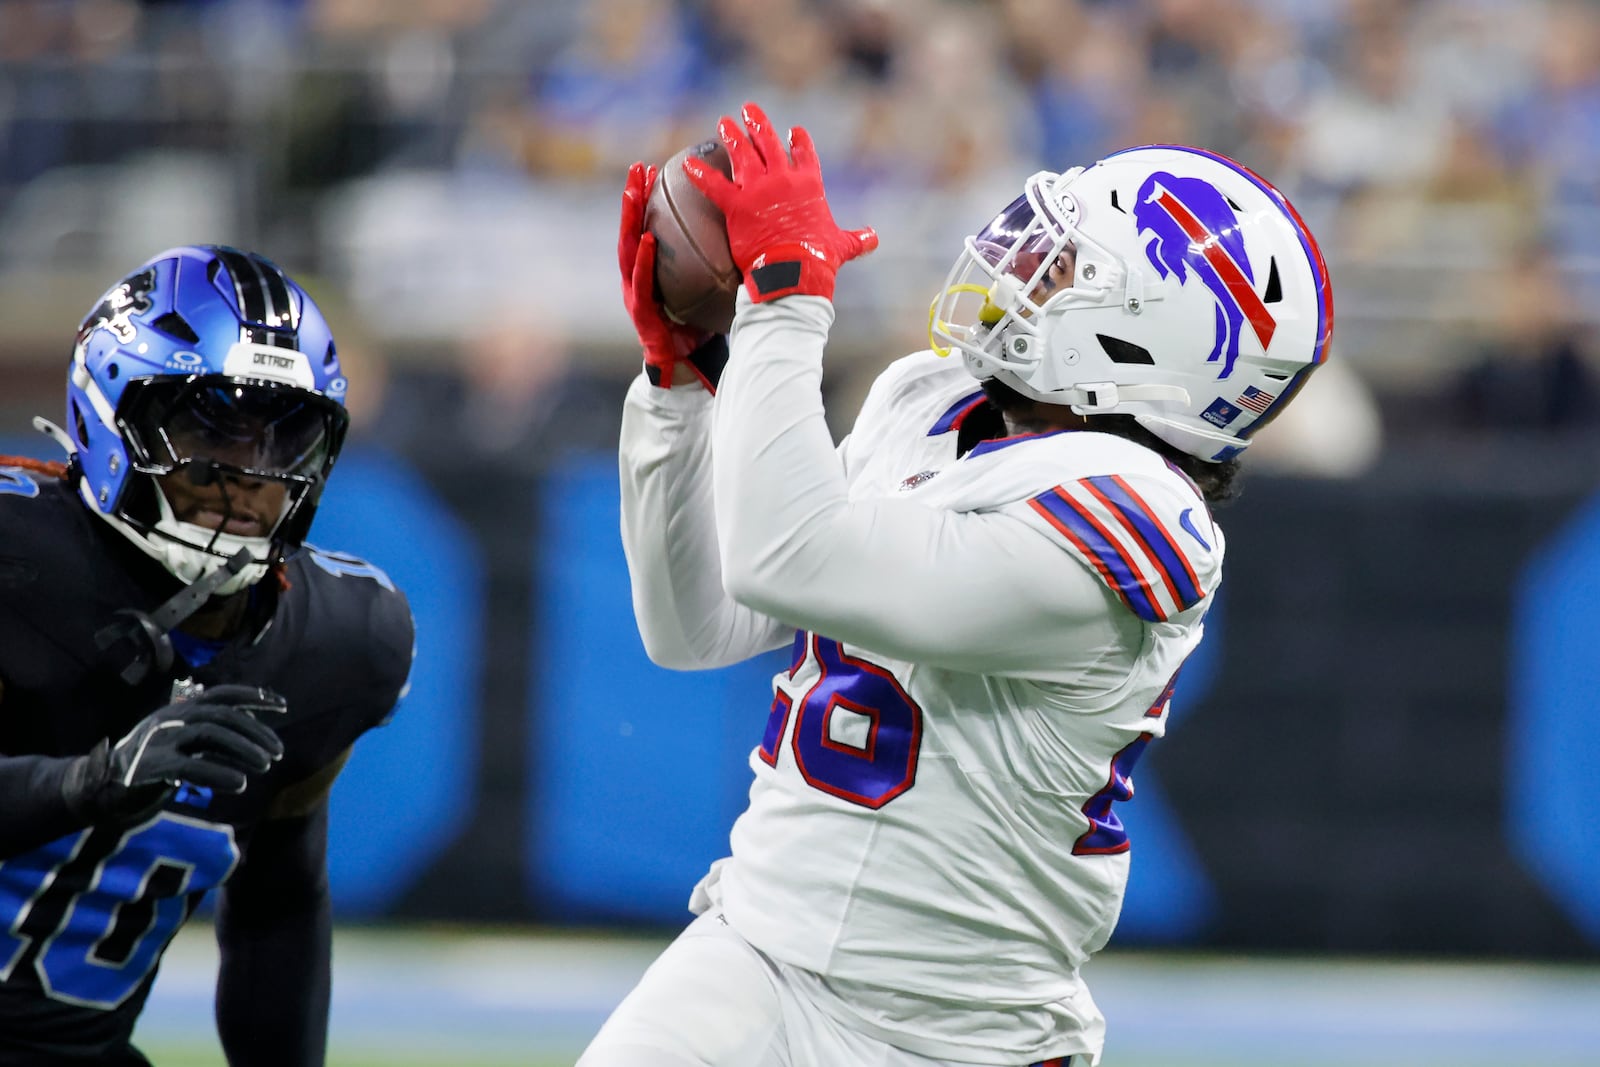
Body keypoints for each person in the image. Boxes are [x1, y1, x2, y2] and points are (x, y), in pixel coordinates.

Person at [587, 100, 1333, 1067]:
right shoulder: (931, 398)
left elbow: (791, 553)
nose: (1021, 265)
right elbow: (696, 623)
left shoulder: (1142, 516)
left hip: (954, 1030)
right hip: (754, 951)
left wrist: (785, 298)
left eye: (1067, 269)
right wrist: (683, 379)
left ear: (1151, 341)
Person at [0, 245, 414, 1066]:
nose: (246, 472)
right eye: (208, 426)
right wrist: (94, 780)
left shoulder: (337, 638)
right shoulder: (16, 560)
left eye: (282, 434)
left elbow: (278, 902)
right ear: (109, 414)